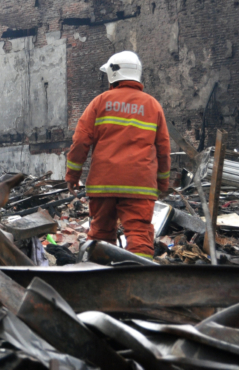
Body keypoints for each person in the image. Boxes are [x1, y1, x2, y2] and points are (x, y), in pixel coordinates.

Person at [64, 51, 171, 259]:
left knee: (101, 234)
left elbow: (80, 142)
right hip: (140, 186)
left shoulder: (100, 102)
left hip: (103, 184)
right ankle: (137, 279)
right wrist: (162, 184)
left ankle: (100, 280)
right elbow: (163, 149)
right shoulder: (153, 106)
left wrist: (72, 176)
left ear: (113, 74)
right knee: (140, 235)